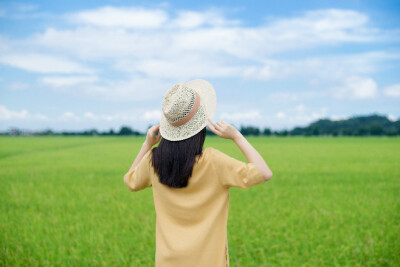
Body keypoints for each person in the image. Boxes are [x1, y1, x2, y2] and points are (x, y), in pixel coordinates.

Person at [123, 79, 273, 267]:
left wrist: (147, 145)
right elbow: (264, 172)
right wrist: (236, 136)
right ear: (200, 124)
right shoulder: (213, 161)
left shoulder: (154, 161)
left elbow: (130, 181)